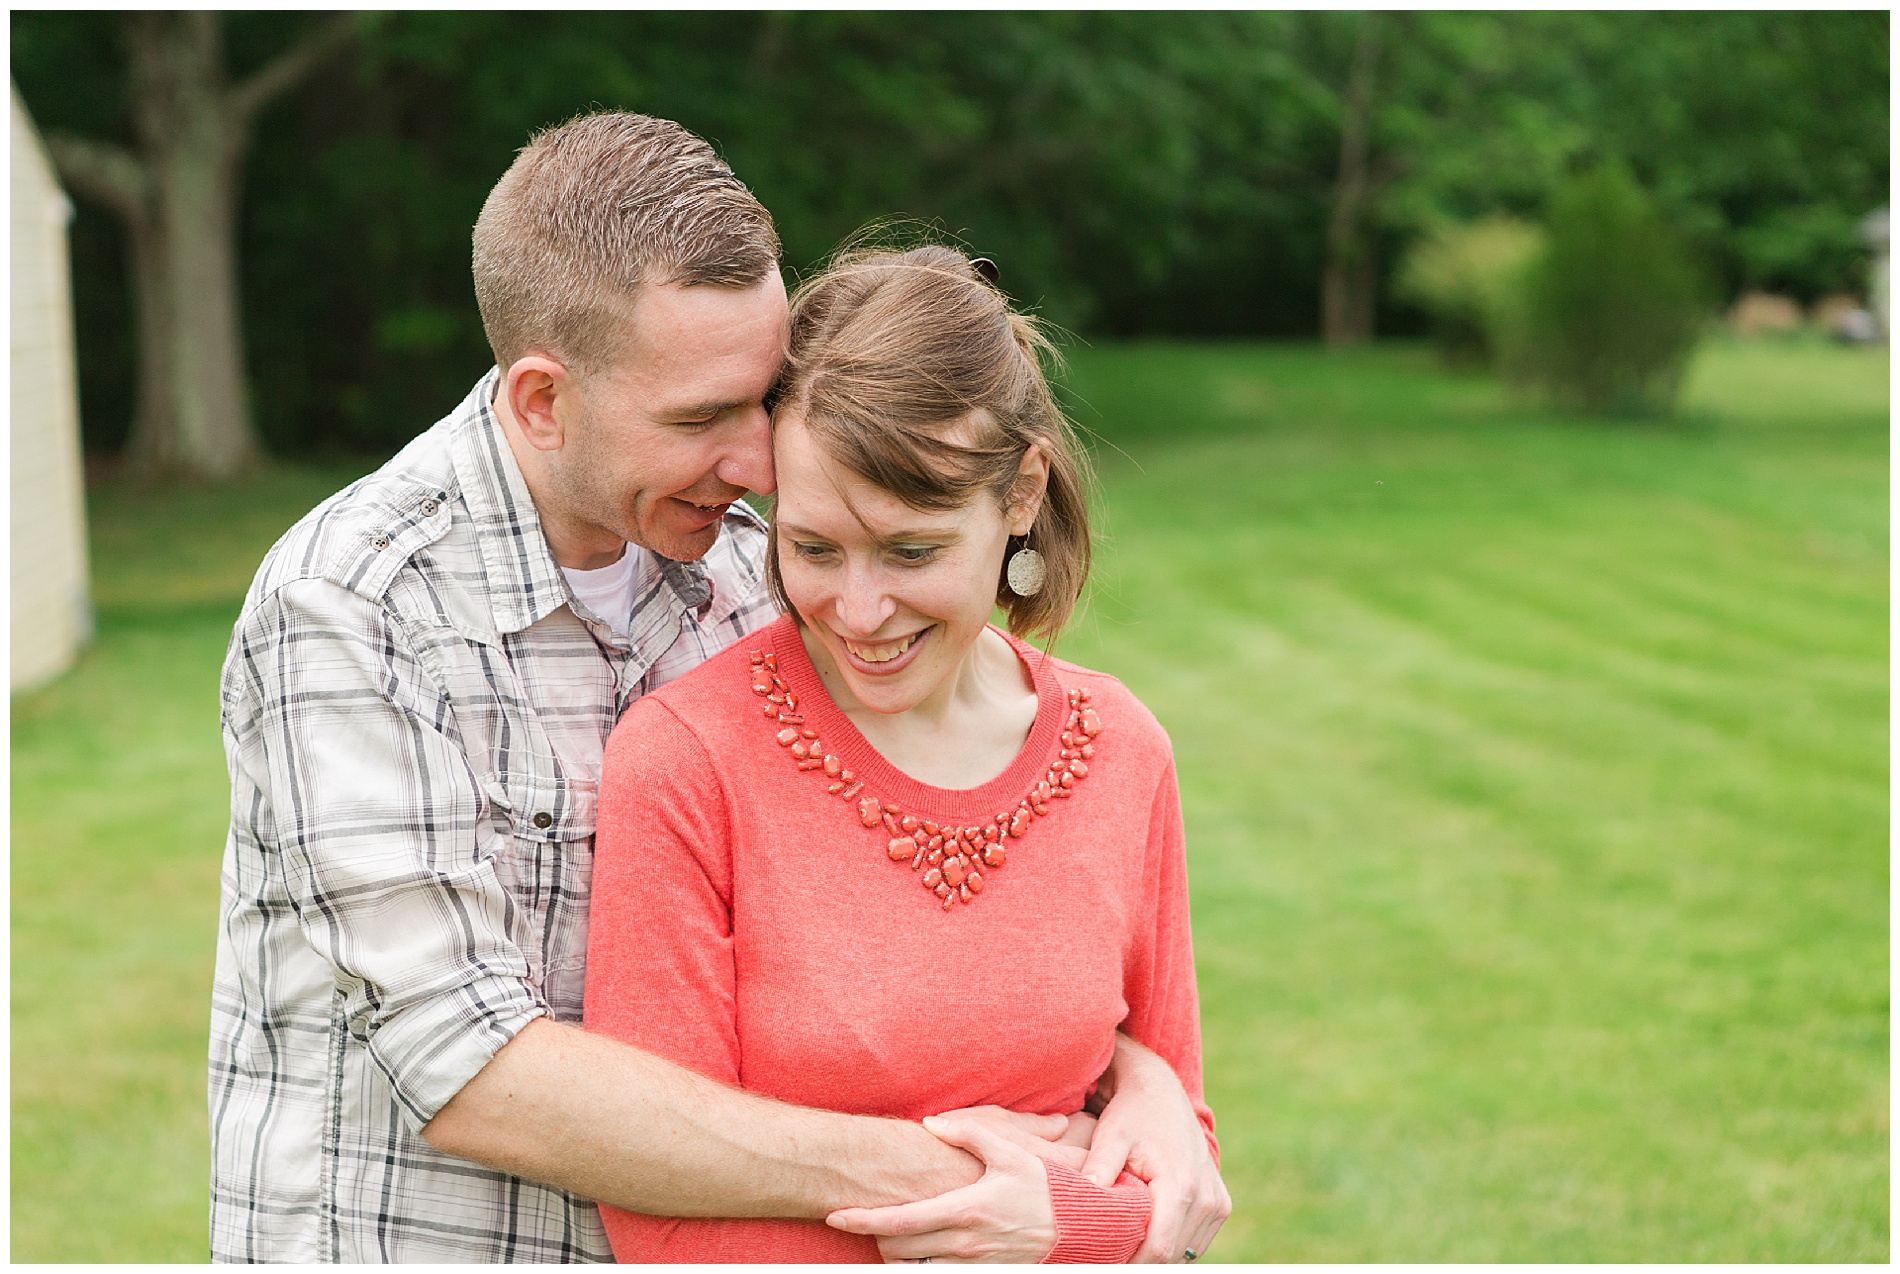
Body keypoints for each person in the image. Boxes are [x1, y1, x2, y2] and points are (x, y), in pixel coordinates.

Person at [210, 111, 1226, 1263]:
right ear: (544, 401)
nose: (755, 465)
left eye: (761, 401)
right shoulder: (351, 606)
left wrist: (1139, 1073)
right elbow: (466, 1068)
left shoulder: (754, 567)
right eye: (701, 418)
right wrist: (979, 1185)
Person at [583, 244, 1227, 1263]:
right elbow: (659, 1219)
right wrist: (1002, 1214)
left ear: (1019, 495)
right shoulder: (687, 761)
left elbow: (1174, 1168)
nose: (860, 609)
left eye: (911, 550)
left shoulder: (1121, 752)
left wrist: (1074, 1221)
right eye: (815, 548)